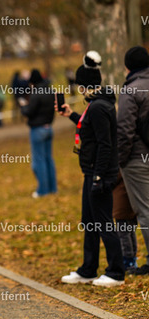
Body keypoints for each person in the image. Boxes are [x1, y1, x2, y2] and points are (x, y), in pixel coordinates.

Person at [57, 51, 125, 287]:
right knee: (90, 221)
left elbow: (106, 144)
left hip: (100, 173)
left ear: (84, 85)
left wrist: (98, 176)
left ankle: (116, 272)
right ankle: (88, 269)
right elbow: (90, 129)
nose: (78, 89)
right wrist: (71, 115)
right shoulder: (97, 104)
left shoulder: (98, 107)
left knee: (103, 222)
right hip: (91, 172)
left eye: (79, 85)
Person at [117, 46, 149, 275]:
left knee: (145, 211)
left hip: (137, 159)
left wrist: (120, 160)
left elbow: (124, 131)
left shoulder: (130, 91)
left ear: (128, 67)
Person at [21, 69, 57, 198]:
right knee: (48, 159)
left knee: (39, 161)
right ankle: (53, 188)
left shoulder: (36, 94)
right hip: (49, 128)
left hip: (37, 129)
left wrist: (23, 106)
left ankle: (43, 190)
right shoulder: (50, 91)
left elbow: (29, 112)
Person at [112, 173, 138, 271]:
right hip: (131, 199)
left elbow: (115, 177)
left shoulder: (122, 167)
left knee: (124, 234)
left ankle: (128, 260)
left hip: (122, 201)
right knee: (130, 231)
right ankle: (132, 259)